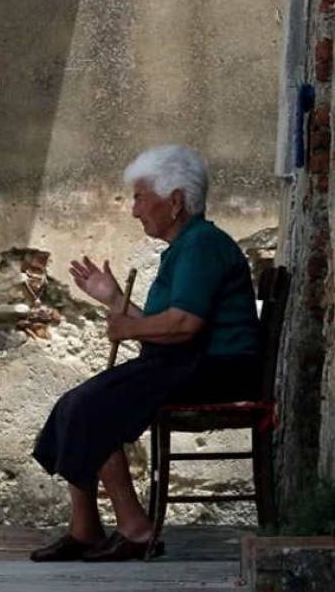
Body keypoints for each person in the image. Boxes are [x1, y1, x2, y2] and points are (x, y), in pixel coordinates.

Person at [31, 145, 262, 562]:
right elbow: (165, 324)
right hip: (186, 362)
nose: (135, 210)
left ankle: (136, 530)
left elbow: (183, 325)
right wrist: (114, 298)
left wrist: (128, 325)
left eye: (140, 197)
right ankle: (84, 529)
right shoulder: (187, 245)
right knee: (74, 404)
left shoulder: (202, 244)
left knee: (93, 405)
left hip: (217, 368)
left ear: (175, 202)